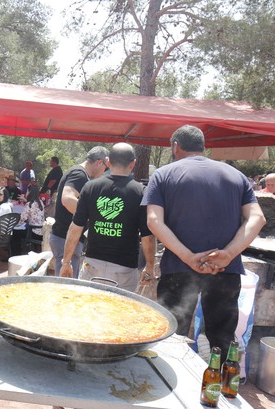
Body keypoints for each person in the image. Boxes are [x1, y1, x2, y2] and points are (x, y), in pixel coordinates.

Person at [143, 125, 265, 361]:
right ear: (203, 148)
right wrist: (228, 254)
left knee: (169, 333)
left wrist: (188, 256)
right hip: (225, 270)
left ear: (175, 146)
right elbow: (257, 218)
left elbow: (154, 221)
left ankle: (167, 389)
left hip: (179, 269)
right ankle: (221, 390)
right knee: (222, 337)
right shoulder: (236, 176)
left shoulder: (163, 174)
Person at [60, 143, 155, 292]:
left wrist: (66, 262)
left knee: (89, 311)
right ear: (133, 164)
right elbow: (147, 237)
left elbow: (75, 228)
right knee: (120, 313)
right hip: (124, 270)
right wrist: (149, 267)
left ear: (108, 162)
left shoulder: (90, 188)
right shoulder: (141, 192)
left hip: (92, 266)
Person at [50, 146, 109, 276]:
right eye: (106, 167)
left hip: (64, 237)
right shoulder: (79, 175)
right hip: (65, 238)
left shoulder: (80, 174)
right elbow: (67, 199)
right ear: (100, 162)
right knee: (66, 287)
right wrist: (92, 216)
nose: (105, 171)